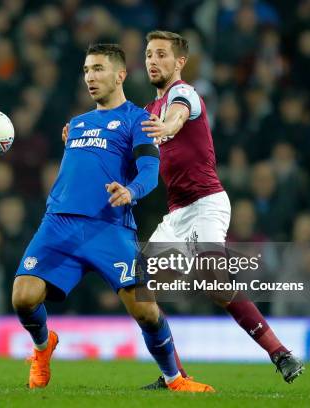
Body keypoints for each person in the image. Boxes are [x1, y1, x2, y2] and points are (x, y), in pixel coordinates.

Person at [13, 44, 213, 392]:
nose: (90, 76)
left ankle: (175, 379)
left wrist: (130, 192)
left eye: (99, 69)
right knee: (23, 297)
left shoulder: (139, 120)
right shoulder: (76, 124)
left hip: (110, 226)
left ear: (120, 74)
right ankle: (43, 348)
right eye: (87, 69)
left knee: (146, 312)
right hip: (59, 223)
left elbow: (151, 170)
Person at [140, 30, 304, 386]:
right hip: (177, 213)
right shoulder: (149, 109)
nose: (153, 60)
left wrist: (167, 126)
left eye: (162, 55)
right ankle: (175, 377)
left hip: (206, 203)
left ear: (179, 62)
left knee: (215, 279)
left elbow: (178, 117)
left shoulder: (183, 94)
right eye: (149, 54)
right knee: (140, 289)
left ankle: (281, 354)